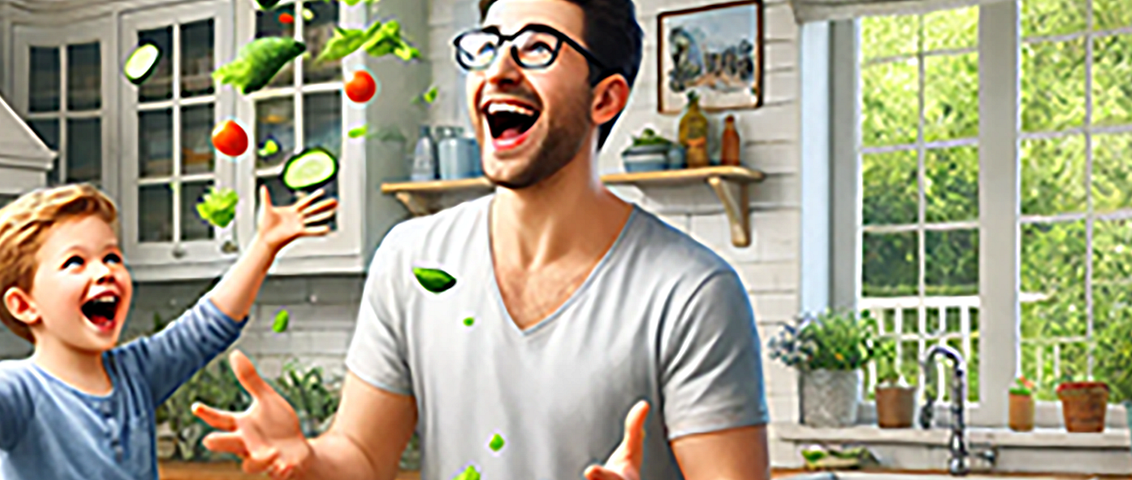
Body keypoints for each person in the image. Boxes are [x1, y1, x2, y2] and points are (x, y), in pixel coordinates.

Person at [189, 0, 771, 477]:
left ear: (605, 98)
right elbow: (362, 456)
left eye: (537, 47)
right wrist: (307, 459)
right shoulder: (410, 260)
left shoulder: (691, 293)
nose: (499, 69)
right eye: (488, 46)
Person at [0, 183, 336, 480]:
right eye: (75, 262)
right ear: (25, 305)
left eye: (111, 257)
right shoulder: (19, 390)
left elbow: (208, 326)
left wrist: (264, 246)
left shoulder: (136, 373)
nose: (103, 271)